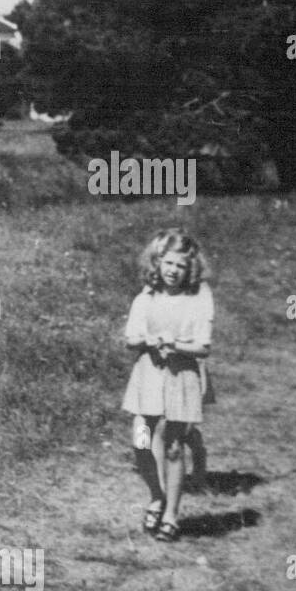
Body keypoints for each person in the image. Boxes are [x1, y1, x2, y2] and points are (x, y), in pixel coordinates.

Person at [122, 228, 213, 542]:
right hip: (148, 372)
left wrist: (176, 345)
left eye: (181, 266)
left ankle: (171, 514)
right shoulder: (145, 298)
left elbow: (203, 346)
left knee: (174, 446)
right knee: (141, 439)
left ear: (190, 269)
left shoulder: (196, 300)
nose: (173, 271)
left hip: (180, 376)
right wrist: (148, 340)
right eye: (168, 263)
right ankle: (157, 495)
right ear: (157, 262)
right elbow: (130, 339)